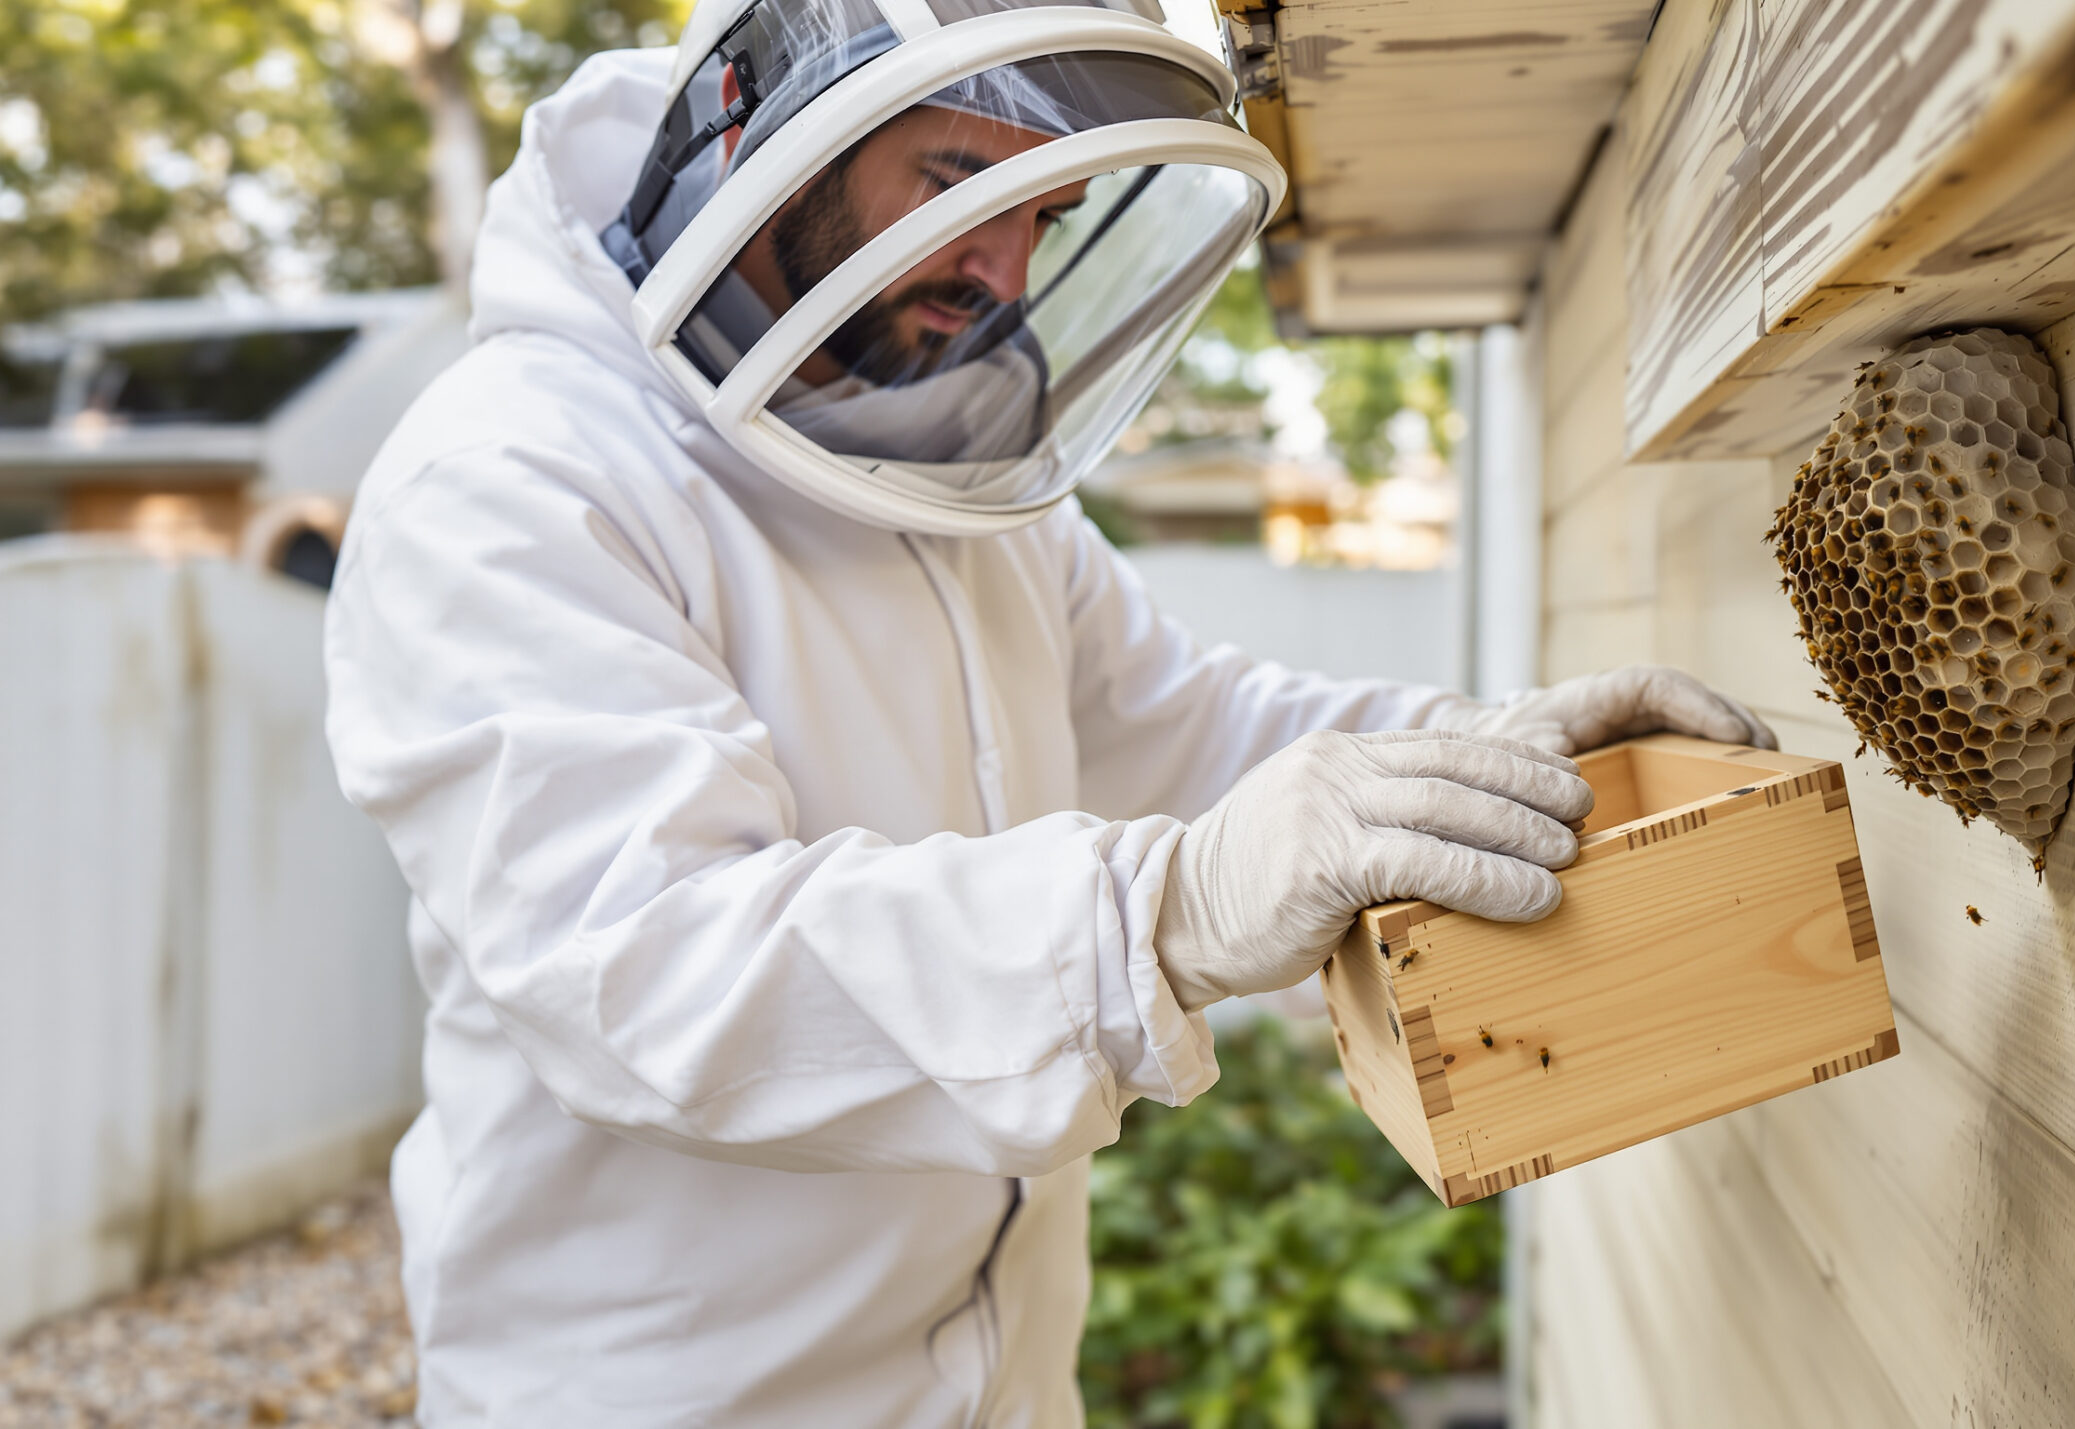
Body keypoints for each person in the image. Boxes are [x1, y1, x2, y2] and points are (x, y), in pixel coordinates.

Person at [321, 0, 1774, 1422]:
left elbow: (1176, 719)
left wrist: (1473, 746)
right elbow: (654, 968)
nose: (1002, 268)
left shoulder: (940, 457)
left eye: (1044, 212)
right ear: (763, 138)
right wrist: (1169, 912)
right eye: (959, 185)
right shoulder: (511, 480)